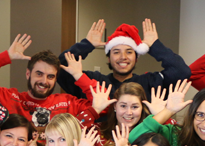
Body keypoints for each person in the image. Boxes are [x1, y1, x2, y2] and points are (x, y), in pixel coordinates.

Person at [57, 19, 191, 101]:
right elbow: (58, 69)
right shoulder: (94, 82)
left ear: (136, 58)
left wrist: (154, 46)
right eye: (116, 52)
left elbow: (182, 71)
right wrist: (87, 44)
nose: (123, 57)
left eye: (129, 52)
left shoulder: (151, 82)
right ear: (108, 59)